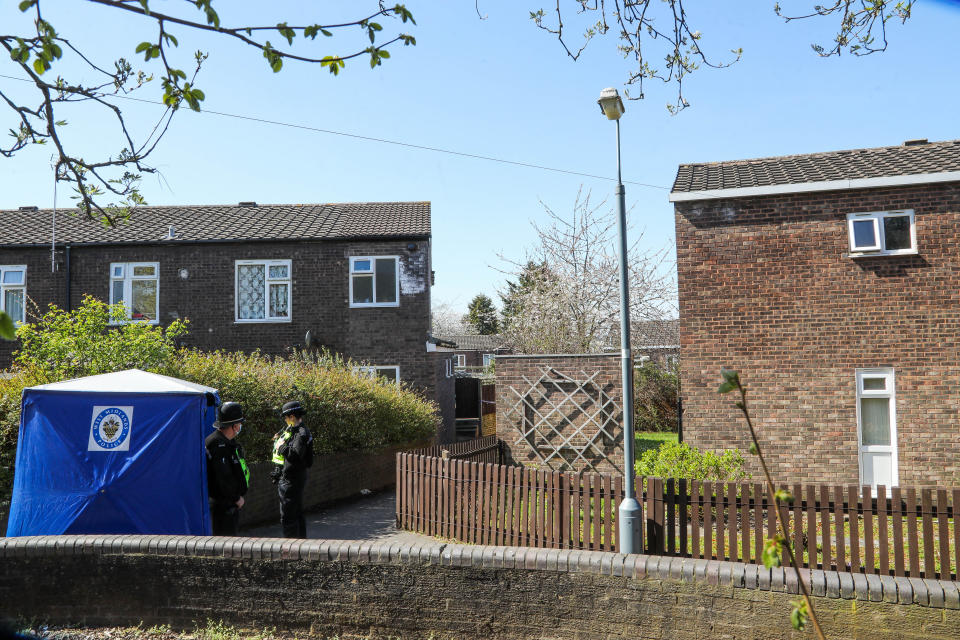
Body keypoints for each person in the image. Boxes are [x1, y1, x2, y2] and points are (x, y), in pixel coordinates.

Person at [205, 401, 249, 536]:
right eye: (239, 423)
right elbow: (223, 477)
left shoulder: (228, 442)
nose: (240, 426)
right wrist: (236, 498)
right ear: (234, 426)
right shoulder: (217, 444)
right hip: (224, 506)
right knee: (226, 544)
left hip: (230, 505)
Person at [271, 399, 313, 538]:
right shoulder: (293, 431)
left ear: (292, 417)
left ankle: (290, 550)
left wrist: (281, 446)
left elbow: (294, 455)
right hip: (291, 477)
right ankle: (301, 546)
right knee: (296, 513)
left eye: (286, 417)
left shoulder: (301, 433)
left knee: (288, 517)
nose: (285, 420)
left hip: (292, 479)